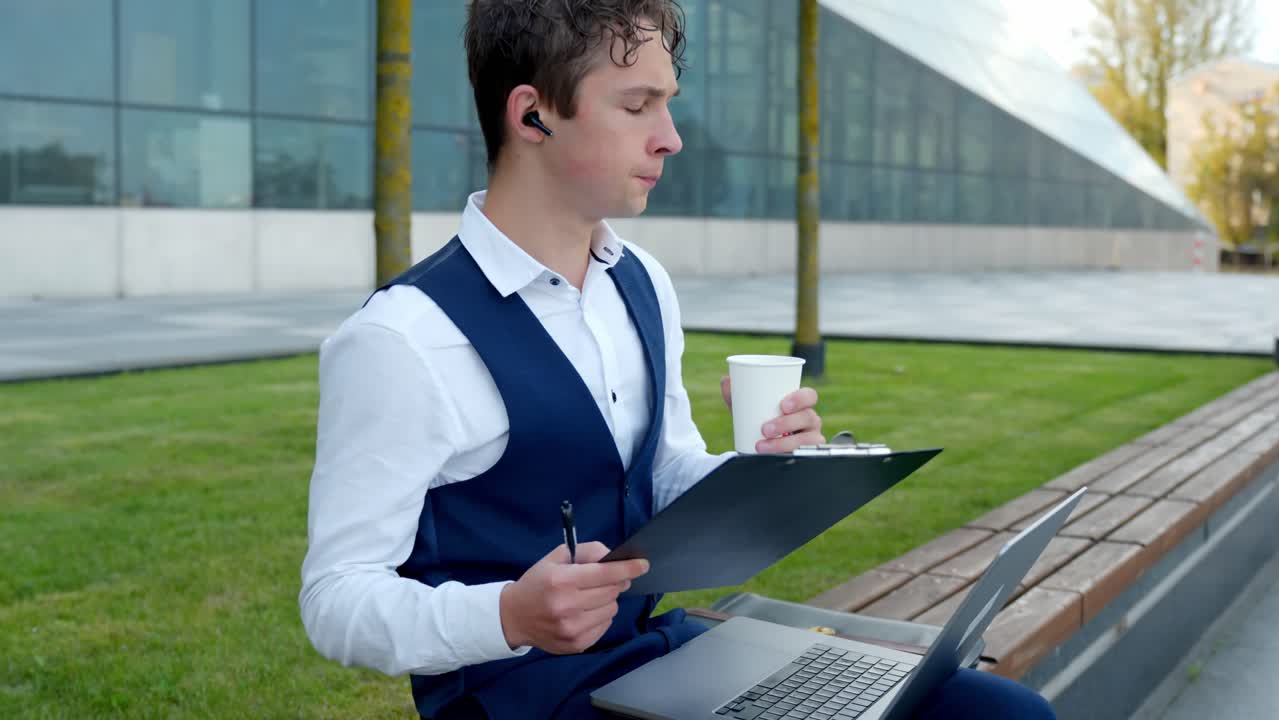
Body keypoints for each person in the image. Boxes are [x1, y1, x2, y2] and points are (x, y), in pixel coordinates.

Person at [300, 2, 1054, 719]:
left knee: (1002, 710)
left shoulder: (641, 282)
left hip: (656, 659)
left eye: (667, 104)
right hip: (525, 700)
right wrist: (507, 614)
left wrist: (765, 474)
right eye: (637, 106)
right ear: (532, 115)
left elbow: (660, 475)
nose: (670, 138)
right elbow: (336, 599)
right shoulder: (403, 338)